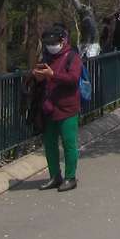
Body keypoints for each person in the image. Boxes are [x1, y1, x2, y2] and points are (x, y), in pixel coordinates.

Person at [32, 24, 84, 192]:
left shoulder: (72, 57)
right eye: (47, 43)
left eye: (53, 43)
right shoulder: (46, 58)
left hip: (68, 108)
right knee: (49, 144)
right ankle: (55, 176)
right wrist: (37, 77)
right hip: (49, 107)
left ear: (63, 40)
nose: (50, 46)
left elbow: (73, 79)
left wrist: (52, 75)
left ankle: (70, 177)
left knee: (69, 143)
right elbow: (41, 80)